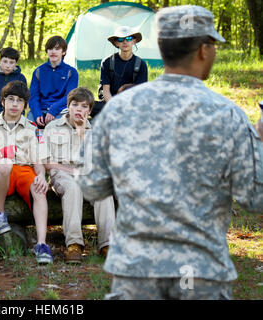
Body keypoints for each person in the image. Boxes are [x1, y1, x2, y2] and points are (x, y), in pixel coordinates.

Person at [76, 4, 263, 300]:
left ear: (161, 48)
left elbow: (89, 183)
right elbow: (256, 197)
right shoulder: (227, 115)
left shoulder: (118, 111)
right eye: (212, 44)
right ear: (203, 50)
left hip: (136, 273)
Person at [0, 80, 52, 264]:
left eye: (19, 101)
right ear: (2, 101)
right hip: (0, 172)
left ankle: (42, 244)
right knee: (4, 163)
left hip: (23, 170)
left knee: (39, 188)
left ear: (25, 106)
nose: (14, 104)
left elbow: (37, 159)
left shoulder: (31, 128)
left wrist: (42, 177)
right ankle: (0, 214)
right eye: (10, 99)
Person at [43, 87, 115, 264]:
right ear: (68, 106)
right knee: (73, 187)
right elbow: (46, 162)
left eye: (84, 107)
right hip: (61, 174)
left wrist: (82, 134)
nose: (79, 110)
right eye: (74, 105)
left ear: (89, 111)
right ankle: (74, 244)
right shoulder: (53, 127)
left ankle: (108, 244)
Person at [92, 26, 148, 118]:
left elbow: (139, 93)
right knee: (89, 105)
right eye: (121, 39)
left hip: (131, 104)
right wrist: (115, 107)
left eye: (129, 38)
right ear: (116, 43)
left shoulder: (141, 64)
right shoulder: (107, 62)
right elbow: (105, 91)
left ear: (134, 41)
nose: (125, 42)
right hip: (110, 103)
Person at [28, 36, 78, 128]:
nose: (53, 51)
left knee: (54, 131)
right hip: (40, 109)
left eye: (57, 49)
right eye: (50, 48)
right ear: (47, 51)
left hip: (60, 110)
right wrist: (37, 113)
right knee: (28, 129)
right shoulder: (39, 71)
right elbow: (33, 96)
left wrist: (53, 110)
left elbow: (69, 96)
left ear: (64, 52)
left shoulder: (71, 72)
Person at [0, 47, 27, 120]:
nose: (7, 66)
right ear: (0, 61)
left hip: (14, 111)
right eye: (5, 61)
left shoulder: (21, 78)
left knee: (13, 128)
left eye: (11, 62)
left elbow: (23, 100)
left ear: (16, 63)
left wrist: (18, 113)